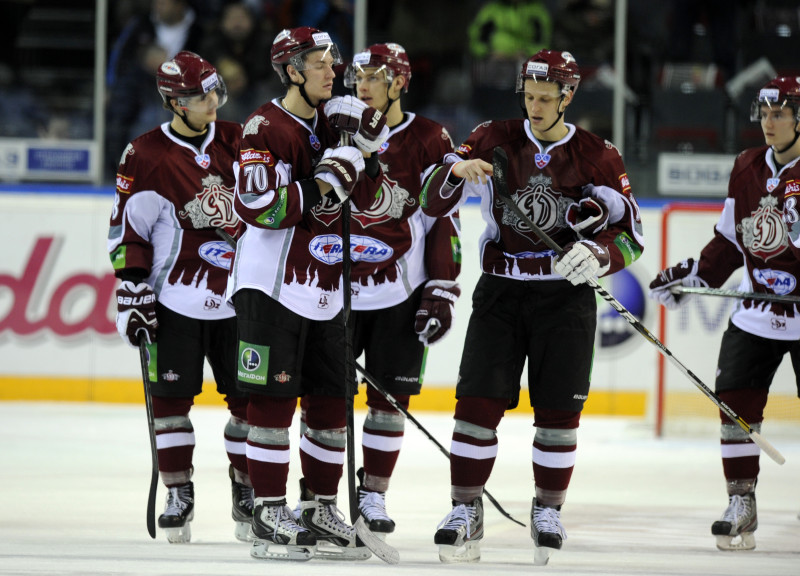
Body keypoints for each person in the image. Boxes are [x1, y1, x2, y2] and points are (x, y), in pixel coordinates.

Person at [419, 49, 644, 565]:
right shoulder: (493, 136)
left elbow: (631, 237)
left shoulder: (597, 154)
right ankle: (465, 507)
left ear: (568, 96)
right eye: (529, 95)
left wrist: (599, 255)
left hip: (564, 300)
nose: (535, 106)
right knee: (476, 404)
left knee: (559, 412)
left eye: (546, 97)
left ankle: (548, 509)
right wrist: (456, 172)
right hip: (500, 292)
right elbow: (431, 200)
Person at [227, 26, 389, 561]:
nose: (333, 71)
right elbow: (259, 209)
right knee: (271, 400)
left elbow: (370, 203)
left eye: (333, 61)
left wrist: (365, 150)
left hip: (326, 288)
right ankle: (269, 509)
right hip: (271, 285)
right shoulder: (263, 126)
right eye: (319, 62)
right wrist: (322, 180)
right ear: (292, 70)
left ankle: (319, 507)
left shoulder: (333, 125)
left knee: (329, 401)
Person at [648, 76, 800, 551]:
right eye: (765, 114)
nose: (769, 123)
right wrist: (693, 277)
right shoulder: (747, 166)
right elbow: (731, 241)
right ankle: (742, 501)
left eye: (780, 114)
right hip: (757, 309)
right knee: (734, 401)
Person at [108, 50, 252, 543]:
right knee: (170, 403)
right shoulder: (144, 155)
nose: (212, 100)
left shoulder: (241, 141)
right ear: (174, 102)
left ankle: (247, 483)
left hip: (243, 300)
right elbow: (128, 231)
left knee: (251, 403)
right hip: (175, 301)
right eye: (199, 95)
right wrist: (133, 288)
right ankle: (178, 491)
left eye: (214, 89)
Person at [339, 43, 461, 536]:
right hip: (334, 292)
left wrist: (441, 290)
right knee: (326, 398)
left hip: (400, 293)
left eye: (373, 78)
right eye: (358, 78)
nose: (361, 87)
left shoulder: (431, 138)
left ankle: (373, 495)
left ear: (399, 83)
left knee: (390, 402)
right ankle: (320, 495)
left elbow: (441, 222)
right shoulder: (337, 128)